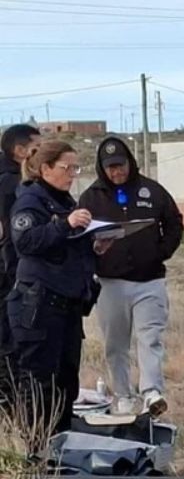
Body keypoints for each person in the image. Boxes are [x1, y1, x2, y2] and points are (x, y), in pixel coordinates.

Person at [7, 140, 112, 433]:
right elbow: (26, 242)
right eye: (67, 168)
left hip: (68, 305)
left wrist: (96, 245)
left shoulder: (66, 202)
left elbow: (68, 250)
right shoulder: (30, 201)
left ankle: (63, 447)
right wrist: (65, 224)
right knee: (41, 383)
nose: (73, 174)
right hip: (39, 305)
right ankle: (38, 450)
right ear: (45, 168)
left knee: (67, 381)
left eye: (76, 168)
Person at [78, 136, 184, 417]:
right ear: (103, 168)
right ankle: (123, 395)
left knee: (150, 337)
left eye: (121, 165)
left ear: (130, 162)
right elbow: (81, 237)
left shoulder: (152, 190)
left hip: (149, 280)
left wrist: (160, 252)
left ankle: (151, 391)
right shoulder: (91, 197)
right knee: (116, 344)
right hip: (110, 282)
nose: (117, 172)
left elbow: (174, 223)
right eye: (111, 167)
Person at [0, 124, 41, 395]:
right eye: (37, 148)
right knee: (12, 349)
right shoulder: (11, 185)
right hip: (11, 276)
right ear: (20, 151)